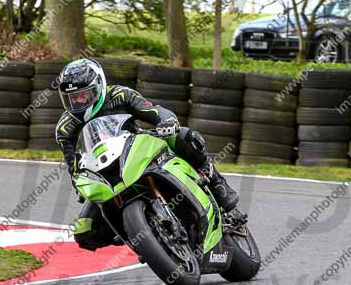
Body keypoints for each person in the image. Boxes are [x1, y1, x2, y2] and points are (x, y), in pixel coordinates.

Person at [55, 58, 239, 251]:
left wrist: (166, 121)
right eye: (71, 98)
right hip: (104, 172)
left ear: (98, 85)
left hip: (136, 149)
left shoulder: (120, 95)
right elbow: (74, 166)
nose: (77, 102)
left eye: (83, 95)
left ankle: (217, 181)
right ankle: (139, 234)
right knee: (84, 231)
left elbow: (153, 110)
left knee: (185, 136)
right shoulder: (65, 128)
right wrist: (80, 184)